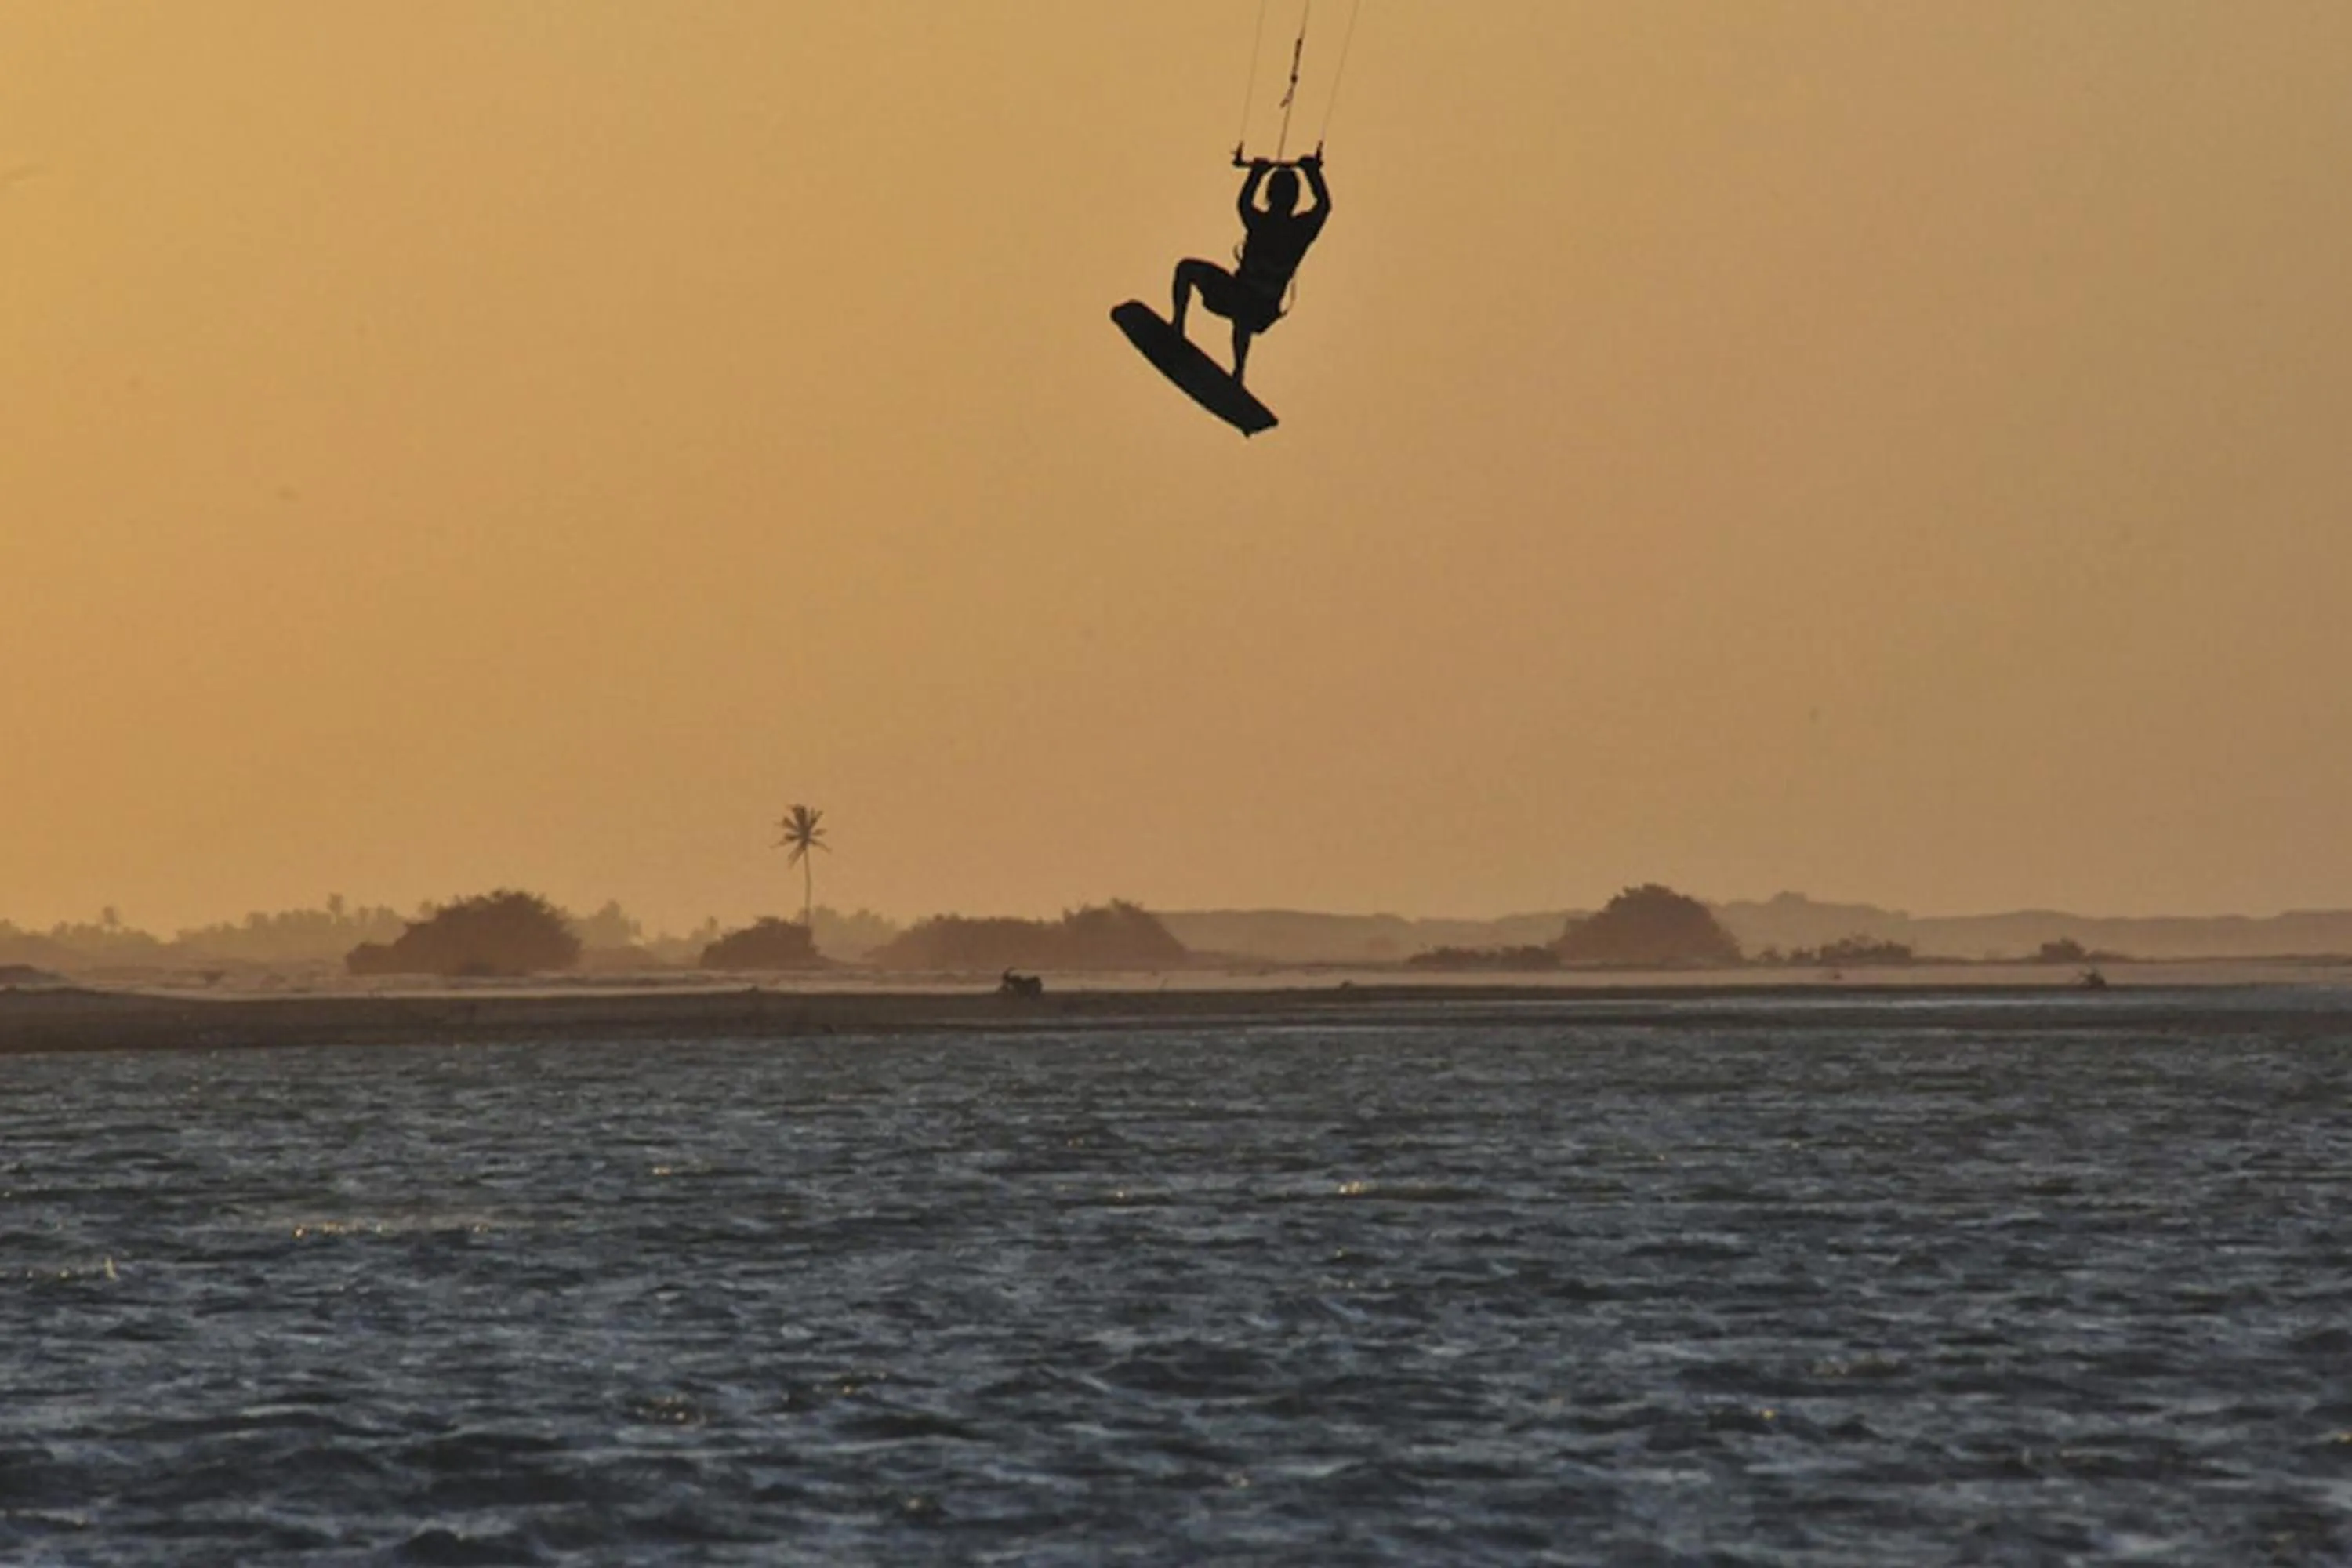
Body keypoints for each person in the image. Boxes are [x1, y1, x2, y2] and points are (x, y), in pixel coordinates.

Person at [1171, 152, 1330, 384]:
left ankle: (1238, 371)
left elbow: (1244, 203)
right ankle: (1177, 328)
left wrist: (1257, 175)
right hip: (1235, 295)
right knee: (1186, 269)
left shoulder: (1292, 230)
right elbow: (1323, 206)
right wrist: (1312, 175)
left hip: (1260, 309)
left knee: (1243, 310)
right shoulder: (1292, 229)